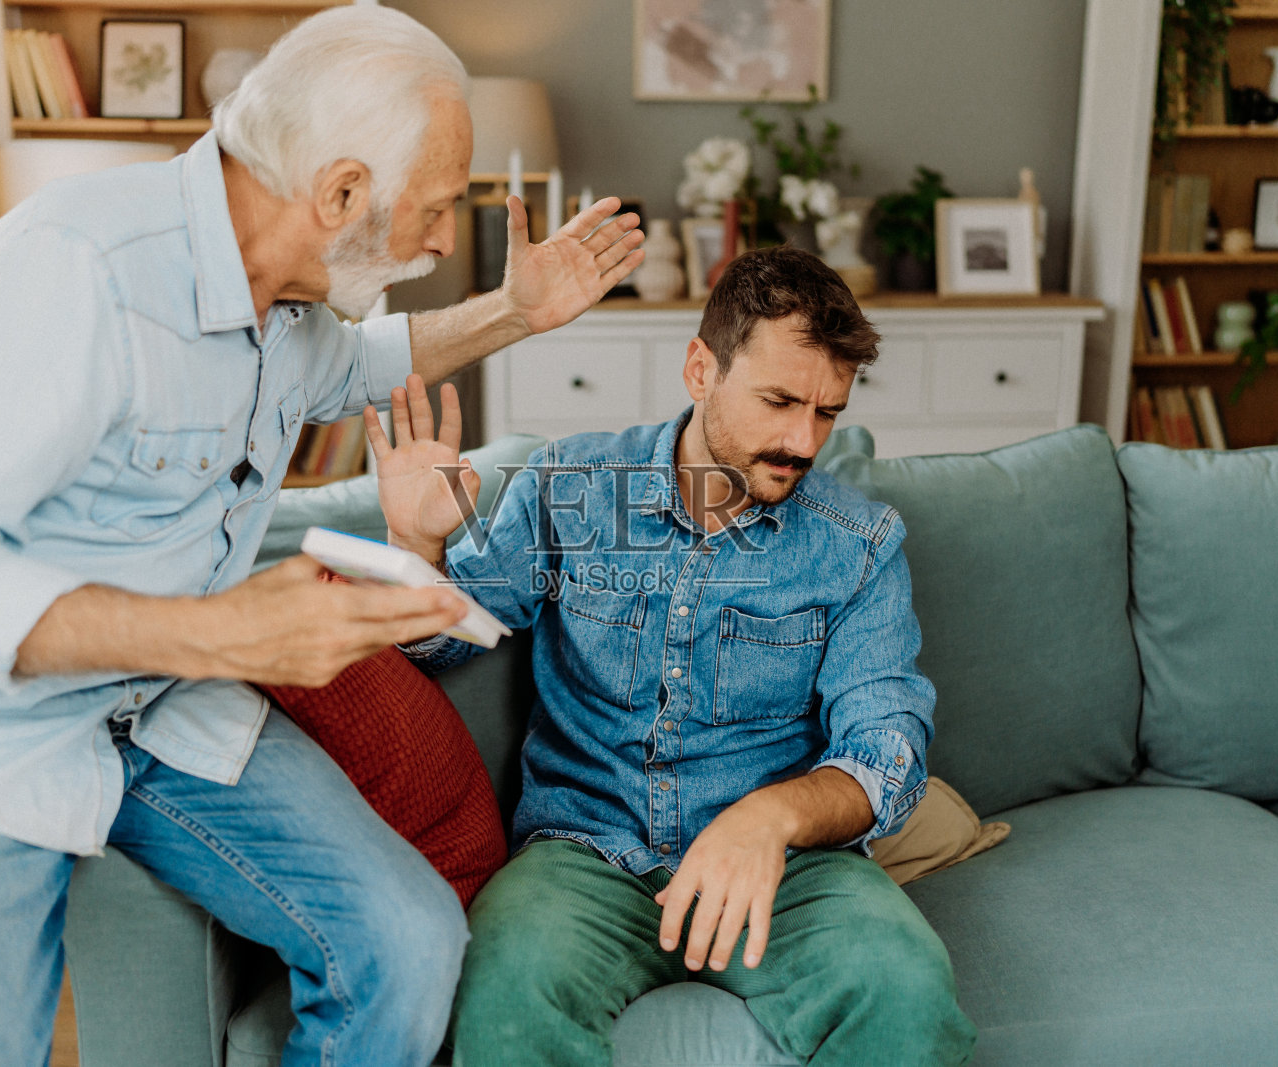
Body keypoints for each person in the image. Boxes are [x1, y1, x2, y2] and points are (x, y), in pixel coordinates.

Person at [0, 7, 643, 1066]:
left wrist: (515, 311)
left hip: (153, 703)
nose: (444, 241)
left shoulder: (286, 303)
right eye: (435, 210)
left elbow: (364, 360)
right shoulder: (79, 271)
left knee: (406, 939)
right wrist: (226, 636)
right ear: (340, 193)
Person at [367, 246, 977, 1066]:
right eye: (780, 400)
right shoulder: (567, 486)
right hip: (584, 854)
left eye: (827, 411)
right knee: (501, 991)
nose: (803, 439)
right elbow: (442, 637)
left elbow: (888, 753)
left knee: (907, 990)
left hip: (786, 870)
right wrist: (416, 541)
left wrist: (768, 817)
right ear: (700, 369)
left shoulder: (859, 547)